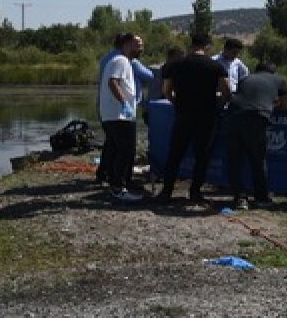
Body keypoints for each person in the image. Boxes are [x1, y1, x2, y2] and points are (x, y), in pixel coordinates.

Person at [156, 33, 230, 203]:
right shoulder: (215, 66)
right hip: (206, 116)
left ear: (191, 45)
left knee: (175, 153)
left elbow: (166, 91)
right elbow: (226, 91)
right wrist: (218, 105)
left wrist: (176, 102)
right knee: (202, 156)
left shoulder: (175, 65)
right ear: (207, 47)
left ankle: (167, 191)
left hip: (183, 115)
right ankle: (195, 192)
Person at [225, 62, 287, 210]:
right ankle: (261, 198)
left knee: (235, 159)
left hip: (233, 116)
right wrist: (272, 105)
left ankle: (239, 198)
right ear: (273, 72)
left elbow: (243, 96)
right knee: (257, 159)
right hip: (256, 118)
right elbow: (286, 105)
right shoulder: (279, 80)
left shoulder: (245, 79)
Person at [95, 34, 154, 185]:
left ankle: (114, 179)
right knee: (126, 150)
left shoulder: (109, 58)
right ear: (126, 44)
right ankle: (120, 185)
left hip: (112, 112)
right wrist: (125, 103)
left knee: (114, 147)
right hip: (119, 114)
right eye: (138, 45)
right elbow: (113, 82)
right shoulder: (123, 61)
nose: (141, 48)